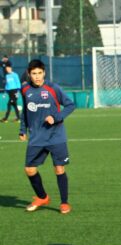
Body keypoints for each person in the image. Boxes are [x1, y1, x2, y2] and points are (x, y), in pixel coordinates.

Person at [19, 59, 76, 214]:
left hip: (56, 136)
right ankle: (42, 197)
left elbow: (70, 105)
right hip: (37, 137)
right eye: (33, 74)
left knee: (59, 168)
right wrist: (22, 129)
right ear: (29, 75)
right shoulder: (25, 90)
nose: (37, 76)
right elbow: (25, 111)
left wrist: (56, 117)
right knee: (29, 169)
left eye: (39, 73)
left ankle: (64, 203)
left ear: (44, 73)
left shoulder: (53, 88)